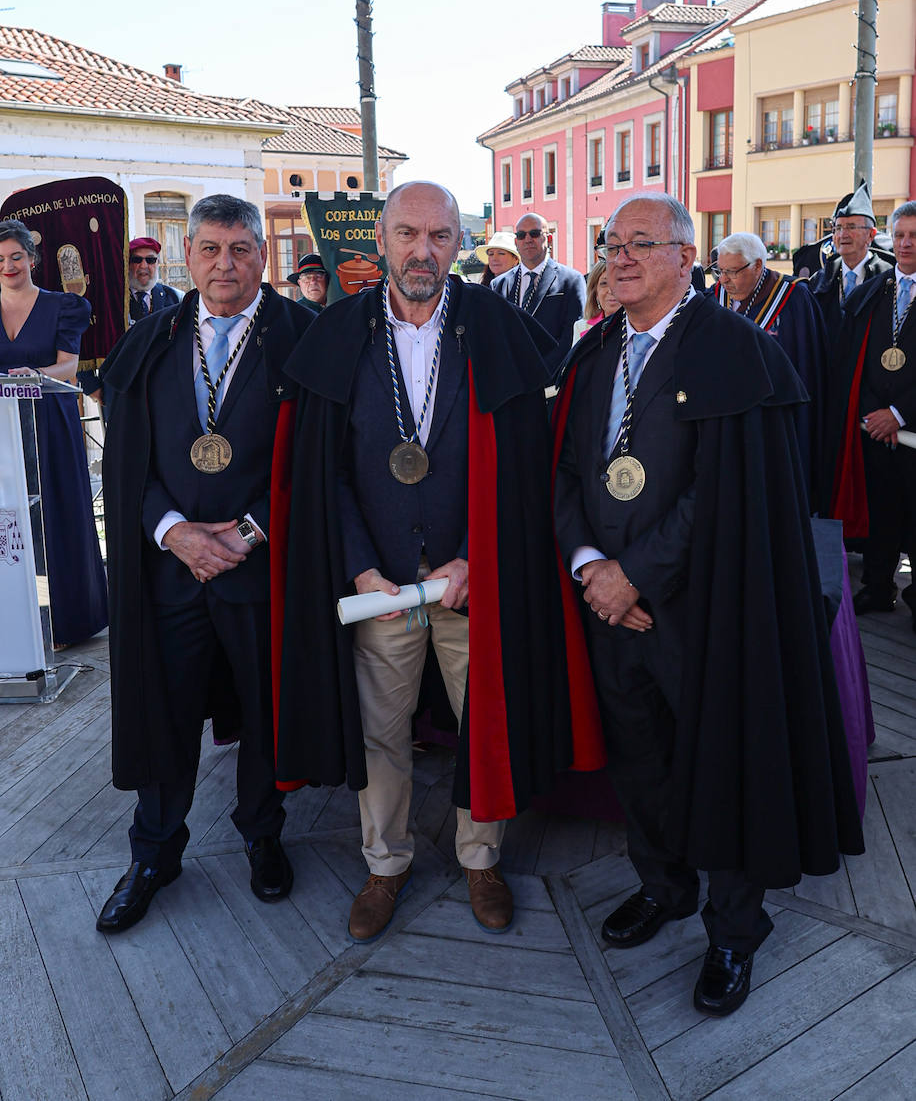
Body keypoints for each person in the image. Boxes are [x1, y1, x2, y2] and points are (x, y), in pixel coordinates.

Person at [553, 193, 862, 1018]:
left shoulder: (736, 351)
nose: (619, 259)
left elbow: (721, 494)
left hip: (706, 610)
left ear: (686, 257)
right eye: (611, 244)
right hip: (609, 607)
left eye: (640, 245)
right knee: (641, 755)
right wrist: (591, 567)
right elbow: (573, 475)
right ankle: (664, 887)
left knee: (724, 760)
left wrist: (636, 578)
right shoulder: (593, 353)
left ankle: (733, 928)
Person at [273, 181, 604, 943]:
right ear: (381, 239)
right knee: (379, 732)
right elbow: (328, 473)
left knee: (482, 717)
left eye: (441, 236)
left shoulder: (496, 325)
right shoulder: (338, 332)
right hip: (379, 586)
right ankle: (384, 865)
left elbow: (523, 469)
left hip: (468, 581)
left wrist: (472, 559)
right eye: (408, 234)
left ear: (460, 242)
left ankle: (480, 856)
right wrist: (361, 570)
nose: (423, 251)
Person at [95, 195, 313, 934]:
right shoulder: (151, 339)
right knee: (165, 707)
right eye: (212, 249)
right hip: (173, 570)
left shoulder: (304, 338)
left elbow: (320, 463)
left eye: (241, 250)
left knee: (265, 708)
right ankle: (155, 851)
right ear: (189, 254)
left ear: (262, 256)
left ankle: (262, 834)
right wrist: (176, 533)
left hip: (263, 570)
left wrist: (248, 532)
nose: (226, 264)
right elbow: (128, 461)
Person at [0, 218, 108, 648]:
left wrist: (37, 373)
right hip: (4, 425)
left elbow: (69, 366)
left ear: (32, 259)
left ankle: (69, 622)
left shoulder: (64, 306)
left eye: (16, 257)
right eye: (1, 259)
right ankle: (16, 623)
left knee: (56, 516)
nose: (8, 266)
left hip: (49, 420)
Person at [824, 201, 916, 629]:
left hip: (910, 428)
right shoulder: (874, 293)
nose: (906, 244)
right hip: (873, 430)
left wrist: (898, 413)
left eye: (914, 236)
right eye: (900, 235)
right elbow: (850, 365)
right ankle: (879, 586)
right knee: (880, 510)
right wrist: (870, 416)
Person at [712, 231, 827, 503]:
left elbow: (807, 370)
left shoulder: (795, 298)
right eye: (720, 271)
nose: (724, 279)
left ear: (758, 266)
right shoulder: (715, 296)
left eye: (732, 272)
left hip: (776, 421)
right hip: (724, 419)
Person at [490, 211, 586, 371]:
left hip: (551, 381)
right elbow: (494, 335)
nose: (527, 239)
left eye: (534, 233)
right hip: (510, 381)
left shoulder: (571, 280)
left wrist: (540, 372)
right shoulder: (499, 284)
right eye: (521, 235)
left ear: (548, 239)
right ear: (516, 242)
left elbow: (571, 336)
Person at [808, 184, 893, 346]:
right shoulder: (820, 280)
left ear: (871, 234)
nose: (843, 234)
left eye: (851, 227)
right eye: (838, 228)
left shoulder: (888, 279)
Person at [128, 237, 181, 323]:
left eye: (150, 260)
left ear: (158, 263)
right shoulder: (118, 299)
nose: (143, 266)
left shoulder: (174, 297)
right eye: (137, 260)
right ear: (128, 264)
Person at [572, 260, 622, 343]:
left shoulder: (640, 327)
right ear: (595, 293)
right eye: (604, 283)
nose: (610, 290)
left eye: (618, 282)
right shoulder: (581, 327)